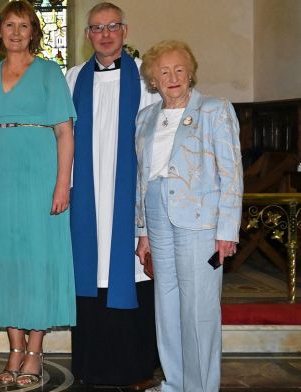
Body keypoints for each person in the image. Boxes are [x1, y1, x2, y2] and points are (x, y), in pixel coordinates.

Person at [135, 40, 243, 392]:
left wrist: (227, 230)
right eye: (164, 71)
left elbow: (231, 173)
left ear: (191, 72)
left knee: (200, 307)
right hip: (157, 216)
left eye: (179, 69)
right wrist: (143, 231)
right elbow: (142, 176)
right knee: (166, 303)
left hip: (202, 223)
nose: (172, 77)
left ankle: (200, 387)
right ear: (153, 79)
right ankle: (175, 382)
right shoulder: (145, 118)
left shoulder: (215, 110)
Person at [0, 0, 76, 387]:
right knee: (6, 262)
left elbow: (66, 133)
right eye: (9, 25)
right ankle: (14, 348)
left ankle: (35, 350)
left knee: (38, 261)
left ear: (33, 31)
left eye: (23, 25)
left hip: (40, 177)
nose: (16, 32)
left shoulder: (50, 73)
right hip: (0, 181)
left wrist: (61, 185)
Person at [65, 2, 161, 389]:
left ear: (124, 30)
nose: (105, 34)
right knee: (90, 276)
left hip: (130, 197)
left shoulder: (146, 80)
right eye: (97, 28)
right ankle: (90, 365)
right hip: (85, 197)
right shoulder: (73, 79)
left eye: (112, 26)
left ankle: (137, 366)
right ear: (87, 35)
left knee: (129, 275)